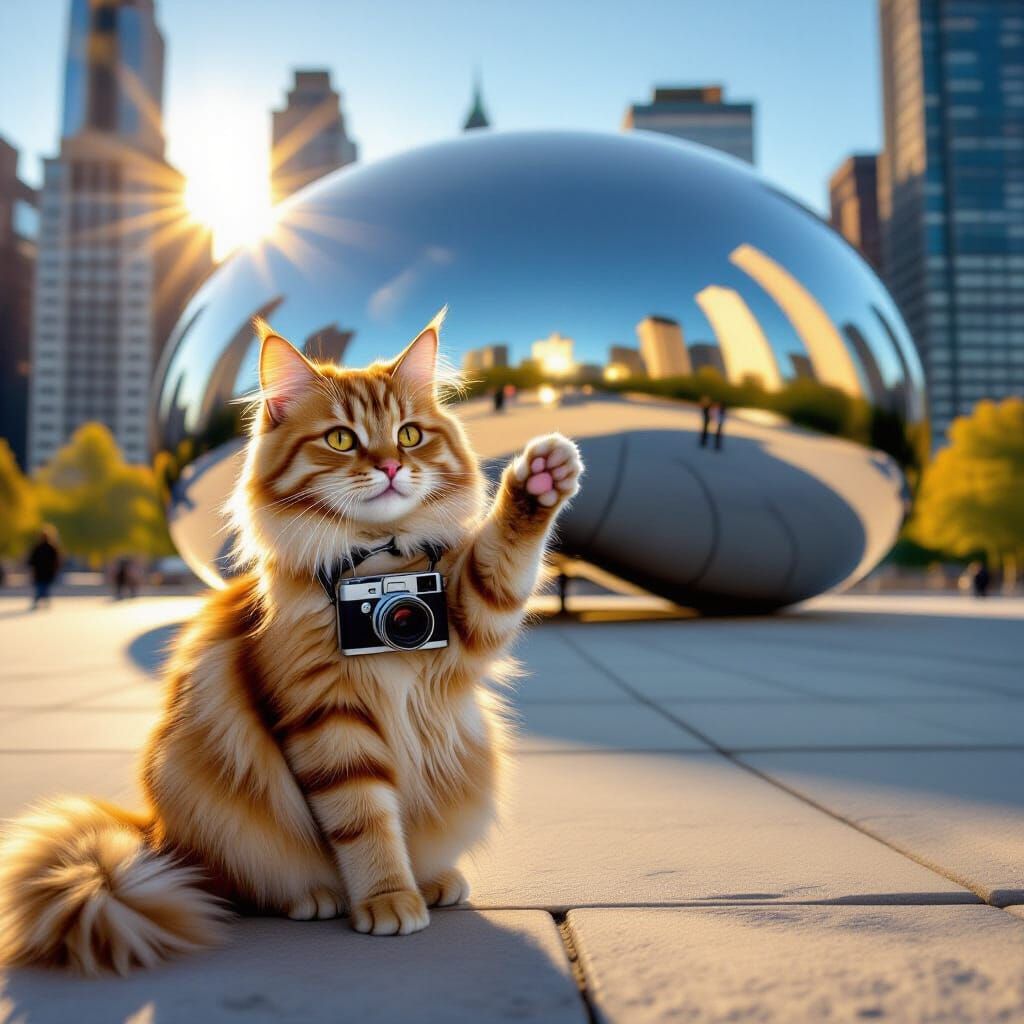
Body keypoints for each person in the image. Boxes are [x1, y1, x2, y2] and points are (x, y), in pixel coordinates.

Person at [27, 525, 61, 610]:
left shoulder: (40, 547)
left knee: (42, 587)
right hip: (44, 572)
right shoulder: (50, 547)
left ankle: (40, 601)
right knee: (43, 587)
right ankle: (43, 600)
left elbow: (32, 560)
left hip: (42, 572)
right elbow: (56, 561)